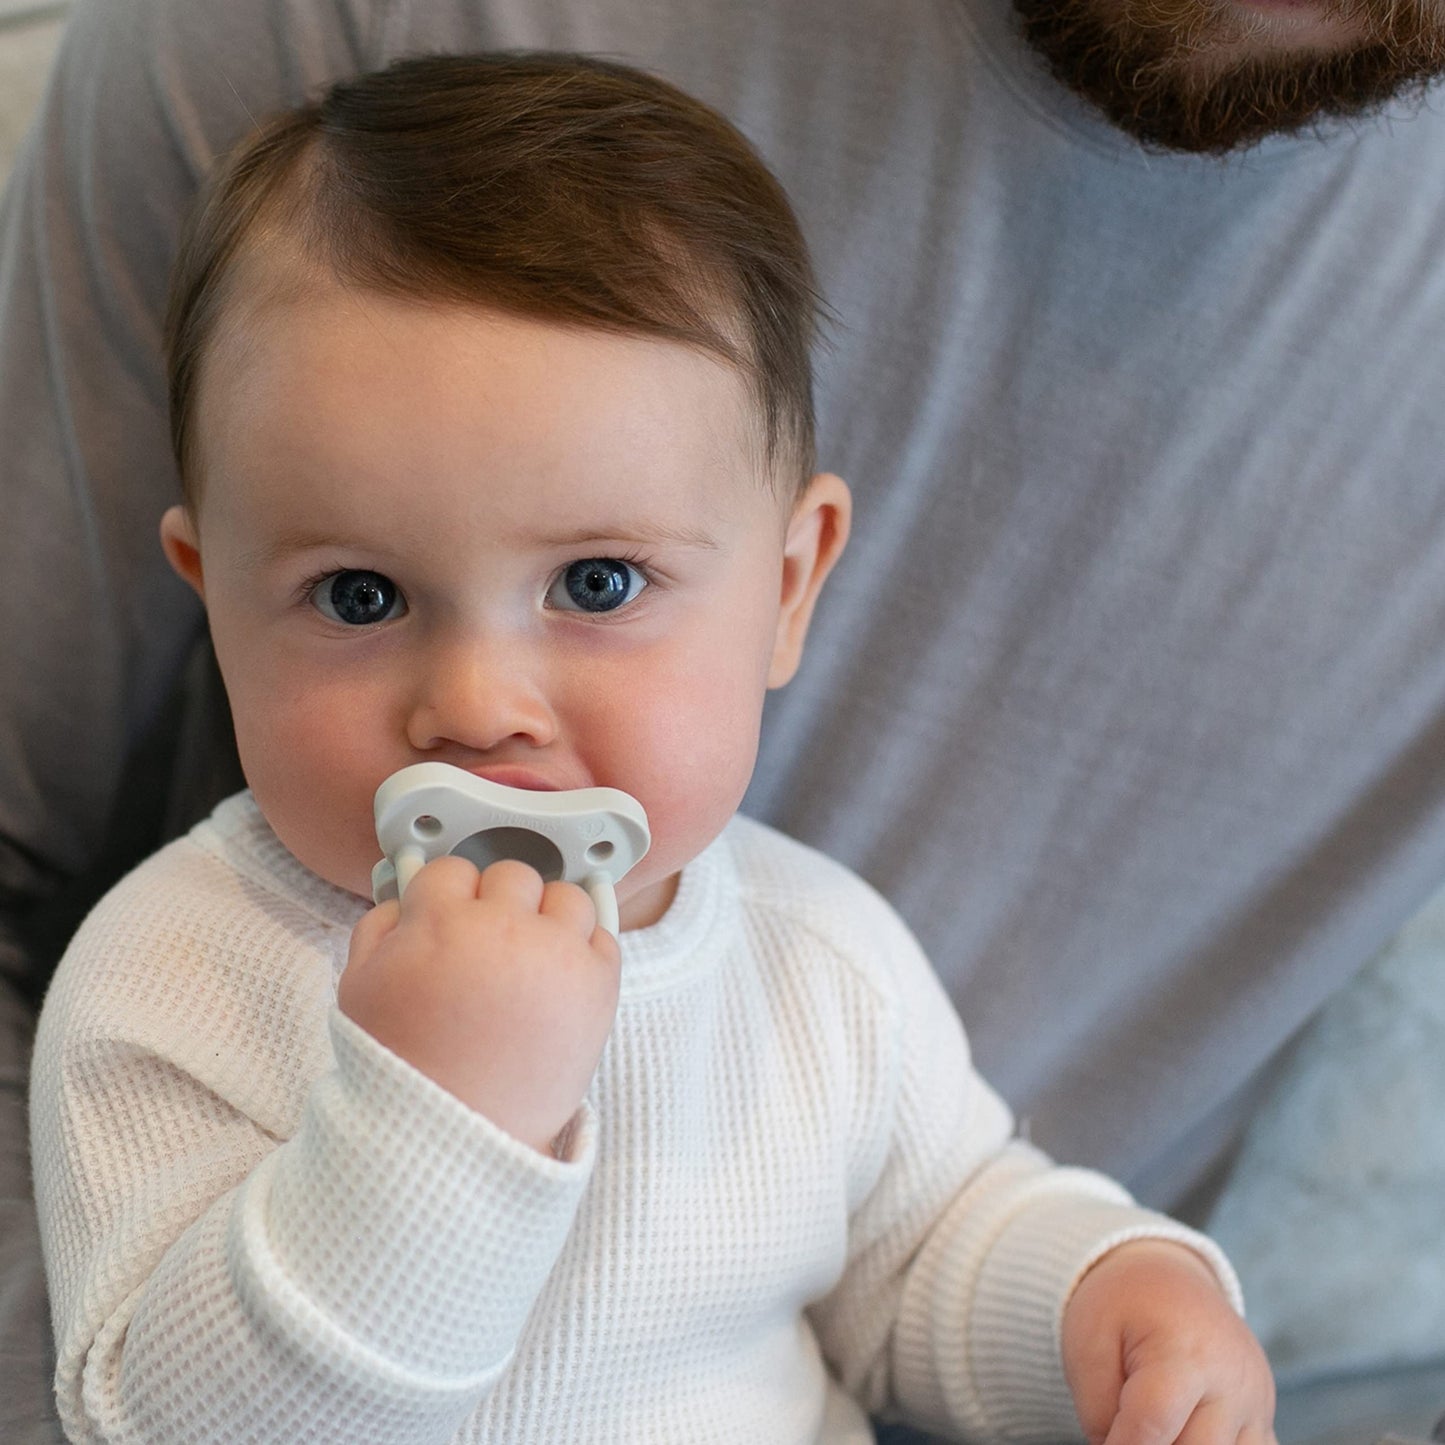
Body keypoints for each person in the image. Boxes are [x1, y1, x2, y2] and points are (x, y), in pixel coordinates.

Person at [3, 0, 1444, 1438]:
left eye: (599, 580)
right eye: (361, 597)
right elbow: (164, 1417)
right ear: (210, 592)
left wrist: (1108, 1297)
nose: (477, 703)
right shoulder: (173, 980)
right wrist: (430, 1128)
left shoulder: (812, 959)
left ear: (785, 585)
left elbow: (928, 1239)